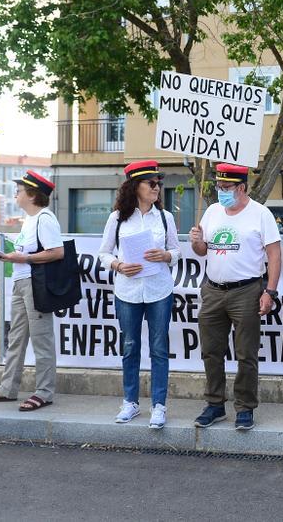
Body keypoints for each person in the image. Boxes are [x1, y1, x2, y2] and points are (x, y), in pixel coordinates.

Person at [189, 163, 281, 431]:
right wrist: (196, 241)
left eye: (227, 187)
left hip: (247, 291)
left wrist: (270, 291)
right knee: (211, 351)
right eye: (219, 186)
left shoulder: (260, 214)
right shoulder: (212, 211)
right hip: (214, 289)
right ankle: (215, 404)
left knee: (246, 353)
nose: (221, 192)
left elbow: (274, 255)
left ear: (241, 188)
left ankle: (245, 407)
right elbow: (202, 250)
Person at [98, 161, 181, 428]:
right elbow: (103, 253)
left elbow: (177, 251)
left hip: (159, 290)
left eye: (159, 183)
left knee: (159, 348)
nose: (157, 188)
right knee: (130, 347)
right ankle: (130, 402)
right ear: (136, 186)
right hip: (128, 291)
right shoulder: (117, 218)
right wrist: (119, 265)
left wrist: (166, 255)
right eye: (151, 183)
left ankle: (159, 406)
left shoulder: (165, 217)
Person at [0, 170, 64, 412]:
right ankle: (7, 388)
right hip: (21, 282)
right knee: (15, 339)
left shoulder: (45, 218)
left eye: (20, 189)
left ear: (32, 194)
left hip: (35, 285)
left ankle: (45, 392)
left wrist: (23, 257)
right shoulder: (30, 220)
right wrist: (11, 257)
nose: (16, 193)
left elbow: (57, 252)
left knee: (41, 339)